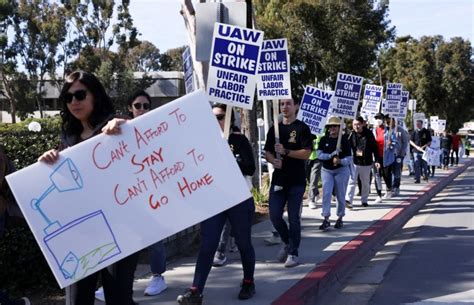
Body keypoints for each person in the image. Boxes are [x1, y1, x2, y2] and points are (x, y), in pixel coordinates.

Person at [38, 71, 139, 305]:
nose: (74, 102)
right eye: (68, 97)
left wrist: (128, 127)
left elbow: (144, 155)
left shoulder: (117, 128)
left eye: (80, 95)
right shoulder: (68, 137)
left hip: (121, 229)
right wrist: (48, 162)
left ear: (95, 96)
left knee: (119, 299)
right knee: (77, 300)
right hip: (80, 233)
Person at [177, 103, 257, 304]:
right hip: (215, 201)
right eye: (212, 117)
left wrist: (232, 159)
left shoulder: (239, 140)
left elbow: (250, 168)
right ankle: (196, 290)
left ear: (228, 119)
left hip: (239, 200)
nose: (217, 121)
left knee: (243, 243)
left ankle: (248, 281)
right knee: (208, 245)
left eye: (220, 117)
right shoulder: (203, 141)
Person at [94, 89, 168, 301]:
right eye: (138, 105)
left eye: (146, 106)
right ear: (130, 108)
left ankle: (158, 276)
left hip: (153, 192)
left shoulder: (157, 128)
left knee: (155, 237)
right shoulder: (121, 128)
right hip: (126, 196)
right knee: (124, 240)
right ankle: (119, 283)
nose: (142, 110)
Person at [264, 98, 312, 268]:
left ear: (296, 106)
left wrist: (286, 152)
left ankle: (293, 253)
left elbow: (306, 153)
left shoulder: (302, 128)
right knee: (275, 215)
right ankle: (287, 242)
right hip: (278, 180)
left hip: (296, 181)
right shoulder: (274, 129)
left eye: (288, 103)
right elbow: (267, 152)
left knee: (294, 218)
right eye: (282, 104)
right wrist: (272, 160)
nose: (285, 107)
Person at [317, 116, 352, 230]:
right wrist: (331, 155)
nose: (332, 128)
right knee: (326, 193)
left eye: (335, 126)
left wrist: (340, 160)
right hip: (327, 170)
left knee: (340, 194)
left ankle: (340, 217)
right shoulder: (323, 140)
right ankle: (326, 218)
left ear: (339, 127)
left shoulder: (344, 140)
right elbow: (319, 155)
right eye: (330, 126)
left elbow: (350, 158)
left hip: (341, 171)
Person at [345, 116, 378, 208]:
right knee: (351, 181)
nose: (356, 126)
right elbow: (346, 146)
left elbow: (374, 148)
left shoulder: (369, 134)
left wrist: (377, 160)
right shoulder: (351, 134)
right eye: (354, 125)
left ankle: (364, 200)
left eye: (358, 124)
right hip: (354, 161)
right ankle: (348, 200)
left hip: (366, 162)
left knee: (365, 182)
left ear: (362, 124)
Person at [372, 113, 398, 203]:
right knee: (377, 175)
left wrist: (391, 144)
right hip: (376, 157)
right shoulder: (373, 131)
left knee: (386, 175)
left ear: (383, 120)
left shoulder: (389, 131)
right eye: (376, 118)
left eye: (379, 118)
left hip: (386, 157)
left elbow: (395, 143)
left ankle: (389, 188)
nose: (378, 120)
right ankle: (379, 195)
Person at [389, 117, 409, 196]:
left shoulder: (400, 130)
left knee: (397, 170)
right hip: (389, 154)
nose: (390, 123)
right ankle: (390, 187)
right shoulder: (387, 129)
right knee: (389, 171)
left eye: (391, 121)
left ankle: (396, 187)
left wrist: (401, 153)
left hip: (398, 155)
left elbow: (405, 142)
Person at [306, 134, 323, 209]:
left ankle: (311, 200)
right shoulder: (305, 129)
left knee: (314, 177)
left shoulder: (323, 129)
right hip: (307, 157)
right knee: (308, 178)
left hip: (318, 157)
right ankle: (316, 193)